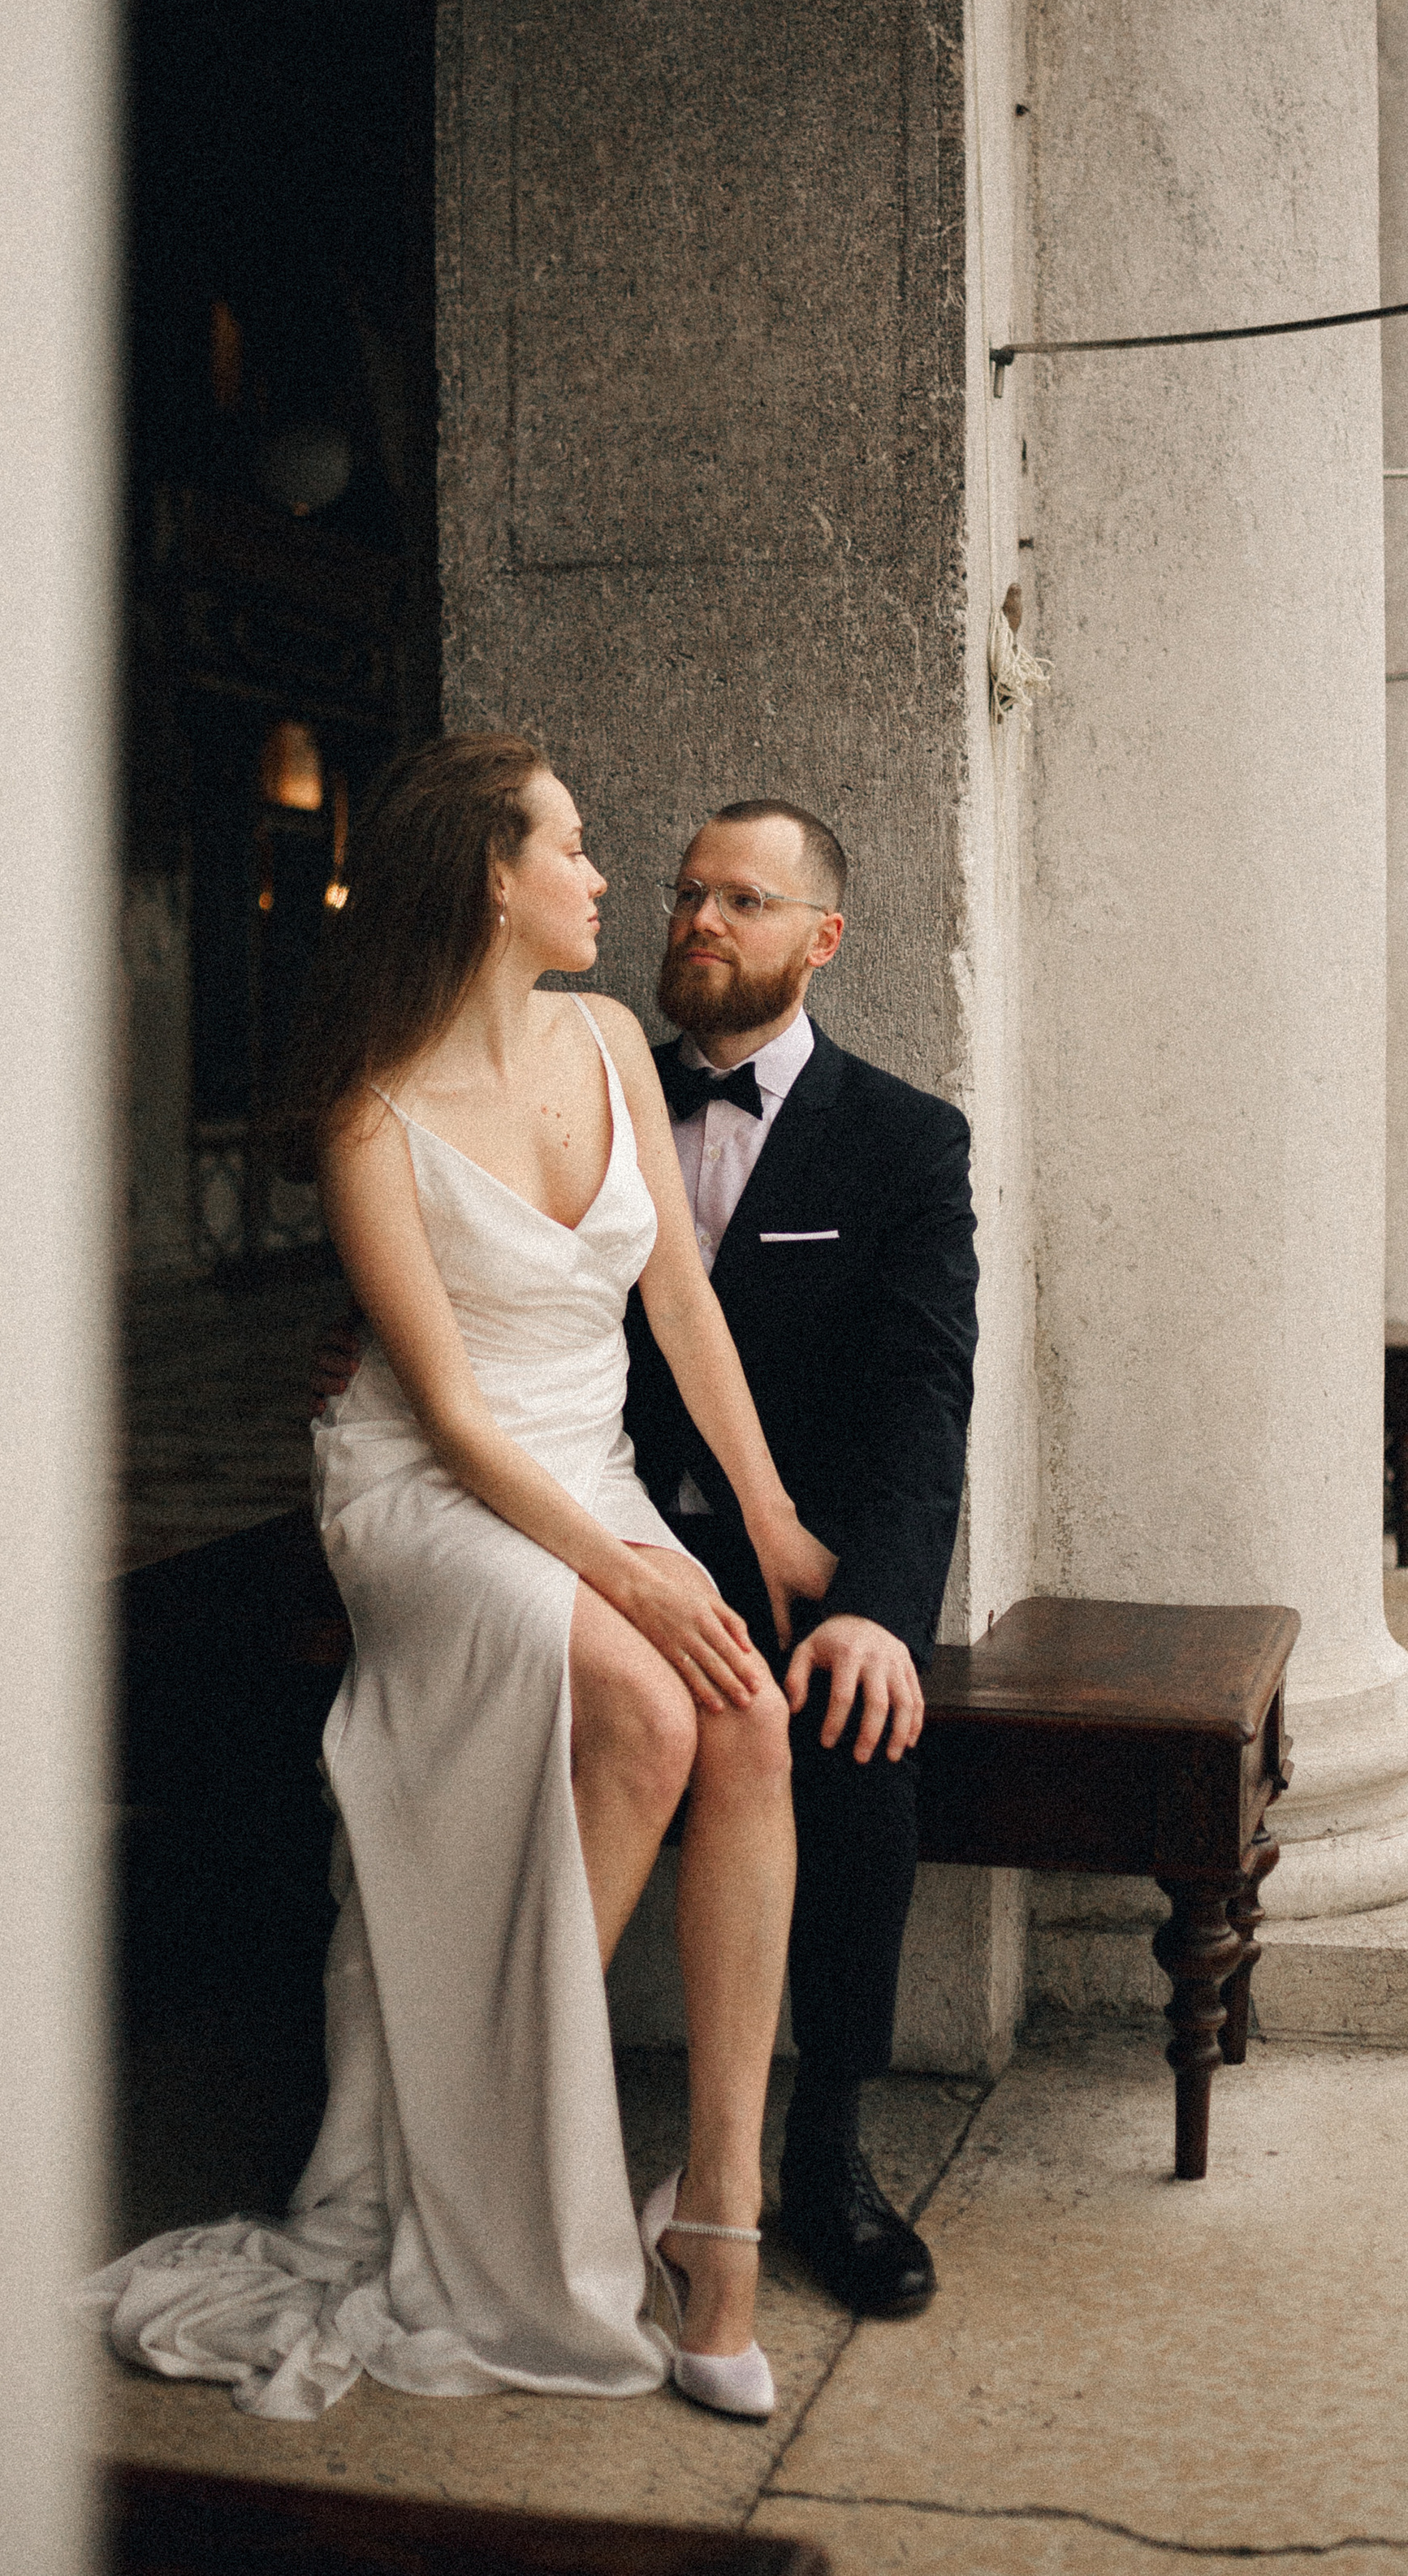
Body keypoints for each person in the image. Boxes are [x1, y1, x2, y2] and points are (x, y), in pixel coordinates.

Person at [80, 735, 824, 2422]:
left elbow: (681, 1314)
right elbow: (454, 1421)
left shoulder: (609, 1037)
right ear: (492, 880)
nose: (602, 877)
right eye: (571, 846)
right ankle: (485, 2146)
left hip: (586, 1460)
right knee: (646, 1699)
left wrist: (765, 1530)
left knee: (748, 1728)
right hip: (425, 1484)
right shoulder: (373, 1116)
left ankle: (719, 2221)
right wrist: (636, 1588)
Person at [314, 793, 979, 2318]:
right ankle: (518, 2138)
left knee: (831, 1712)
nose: (688, 913)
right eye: (684, 888)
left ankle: (808, 2159)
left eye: (740, 899)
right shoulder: (528, 1066)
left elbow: (921, 1398)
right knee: (675, 1706)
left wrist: (863, 1592)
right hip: (538, 1495)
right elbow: (465, 1332)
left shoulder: (899, 1140)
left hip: (725, 1519)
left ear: (820, 940)